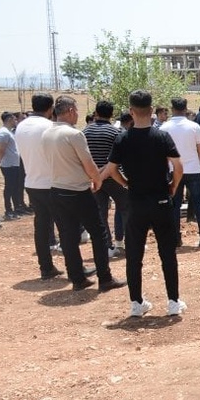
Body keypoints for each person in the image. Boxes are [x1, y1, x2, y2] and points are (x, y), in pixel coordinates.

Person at [102, 89, 186, 317]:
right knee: (167, 253)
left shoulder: (122, 138)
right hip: (160, 200)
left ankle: (137, 304)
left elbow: (110, 171)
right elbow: (178, 167)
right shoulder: (162, 137)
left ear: (131, 111)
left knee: (134, 256)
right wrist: (173, 186)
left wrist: (126, 183)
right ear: (151, 111)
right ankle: (173, 301)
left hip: (136, 203)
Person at [42, 95, 126, 292]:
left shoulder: (47, 133)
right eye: (77, 110)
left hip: (56, 190)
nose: (78, 114)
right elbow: (89, 165)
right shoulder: (74, 135)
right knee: (99, 233)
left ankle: (77, 278)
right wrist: (97, 181)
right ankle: (105, 278)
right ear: (70, 111)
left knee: (68, 235)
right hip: (78, 191)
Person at [15, 93, 64, 279]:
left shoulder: (21, 126)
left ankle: (46, 267)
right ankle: (75, 267)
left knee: (41, 226)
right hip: (52, 183)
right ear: (51, 109)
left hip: (32, 182)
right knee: (65, 226)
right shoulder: (50, 127)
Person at [163, 97, 200, 246]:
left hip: (174, 170)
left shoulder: (164, 128)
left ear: (172, 109)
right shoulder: (194, 126)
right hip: (193, 170)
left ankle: (176, 238)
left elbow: (163, 154)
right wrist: (192, 160)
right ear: (185, 109)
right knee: (199, 204)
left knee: (175, 205)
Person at [83, 100, 128, 256]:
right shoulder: (116, 133)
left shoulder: (85, 132)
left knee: (100, 213)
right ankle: (130, 243)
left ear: (96, 113)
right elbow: (121, 158)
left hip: (94, 179)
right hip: (115, 177)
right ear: (111, 114)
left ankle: (106, 246)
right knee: (126, 210)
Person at [0, 111, 25, 220]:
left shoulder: (9, 132)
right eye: (14, 119)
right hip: (8, 165)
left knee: (14, 187)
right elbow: (2, 149)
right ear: (8, 120)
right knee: (9, 187)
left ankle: (15, 208)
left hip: (13, 164)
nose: (16, 121)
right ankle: (8, 210)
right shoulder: (4, 133)